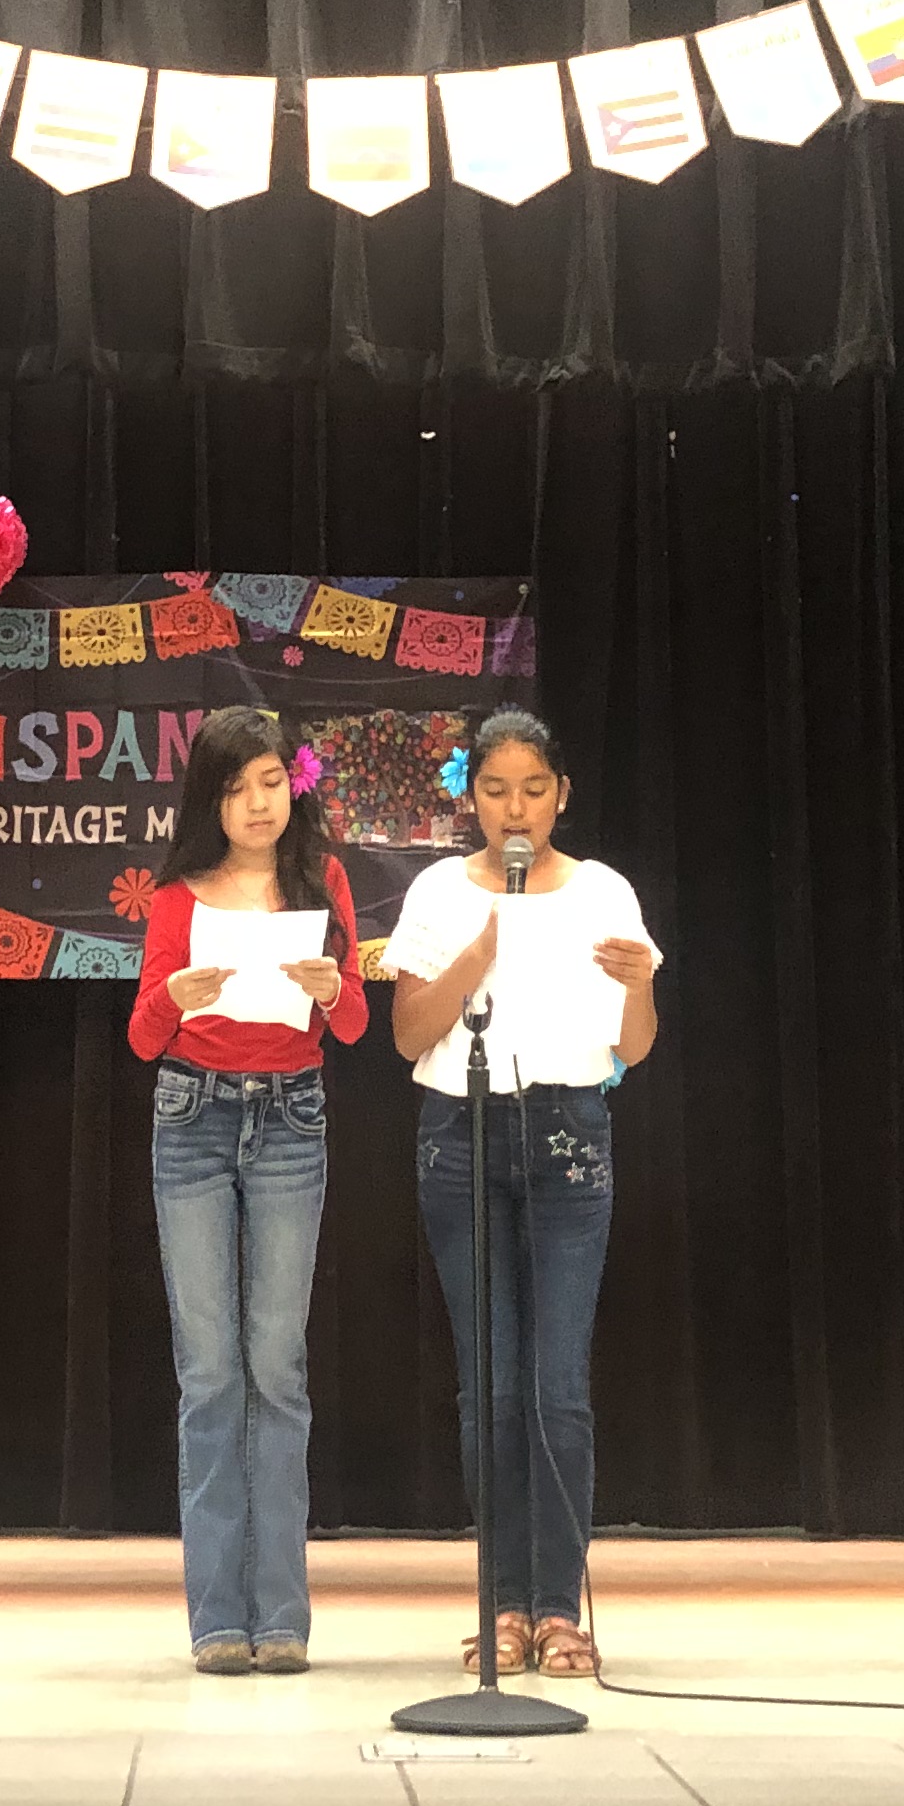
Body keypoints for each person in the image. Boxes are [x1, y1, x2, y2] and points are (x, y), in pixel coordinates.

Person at [385, 709, 659, 1679]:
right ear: (472, 798)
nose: (515, 809)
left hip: (567, 1136)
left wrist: (638, 986)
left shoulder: (604, 891)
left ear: (561, 796)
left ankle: (558, 1608)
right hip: (458, 1136)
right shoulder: (434, 890)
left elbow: (633, 1046)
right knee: (489, 1384)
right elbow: (409, 1035)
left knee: (556, 1385)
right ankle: (500, 1605)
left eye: (533, 791)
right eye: (496, 791)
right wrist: (473, 958)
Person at [124, 707, 368, 1674]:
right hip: (192, 1119)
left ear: (292, 785)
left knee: (279, 1370)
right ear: (210, 801)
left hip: (292, 1122)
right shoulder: (180, 897)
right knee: (211, 1373)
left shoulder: (325, 883)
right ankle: (216, 1616)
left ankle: (285, 1617)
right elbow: (144, 1037)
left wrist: (329, 987)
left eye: (270, 781)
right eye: (235, 788)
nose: (257, 803)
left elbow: (348, 1028)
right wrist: (172, 998)